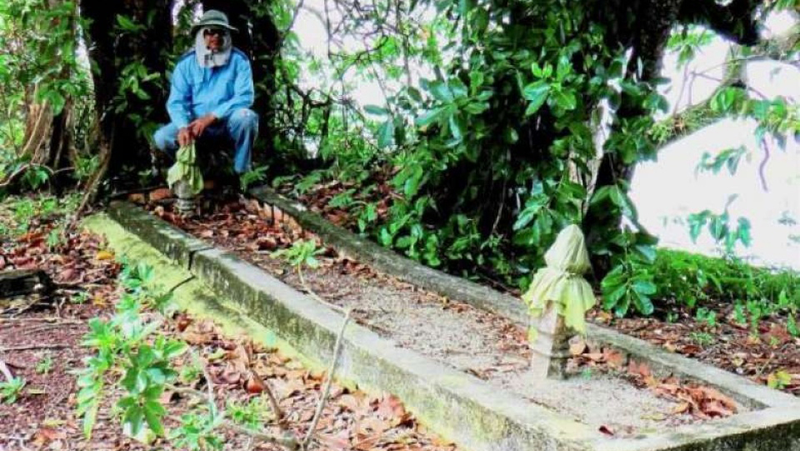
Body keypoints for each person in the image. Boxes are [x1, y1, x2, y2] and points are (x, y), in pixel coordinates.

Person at [153, 10, 258, 176]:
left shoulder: (239, 61)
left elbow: (245, 96)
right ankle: (199, 169)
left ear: (227, 34)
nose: (215, 36)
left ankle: (242, 173)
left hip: (226, 123)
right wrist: (182, 126)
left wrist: (212, 116)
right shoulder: (186, 64)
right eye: (209, 31)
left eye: (220, 31)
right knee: (162, 137)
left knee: (247, 118)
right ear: (201, 34)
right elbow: (177, 102)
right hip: (195, 126)